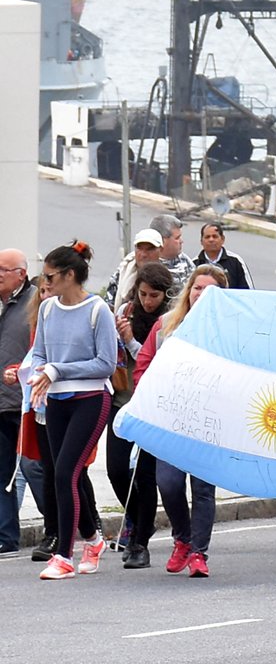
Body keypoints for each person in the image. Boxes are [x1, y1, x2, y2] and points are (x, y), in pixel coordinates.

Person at [133, 265, 228, 578]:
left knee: (203, 489)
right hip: (171, 419)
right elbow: (143, 367)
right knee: (169, 483)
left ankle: (200, 553)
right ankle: (182, 539)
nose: (201, 294)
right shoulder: (166, 326)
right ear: (189, 290)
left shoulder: (229, 331)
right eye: (198, 287)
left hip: (209, 420)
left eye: (210, 289)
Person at [29, 241, 118, 580]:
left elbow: (106, 364)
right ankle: (93, 540)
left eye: (50, 276)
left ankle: (64, 556)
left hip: (91, 400)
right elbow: (39, 352)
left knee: (65, 472)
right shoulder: (48, 309)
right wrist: (39, 371)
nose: (45, 282)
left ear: (69, 275)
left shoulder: (98, 310)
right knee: (68, 474)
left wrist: (58, 370)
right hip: (56, 401)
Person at [108, 261, 173, 569]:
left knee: (145, 475)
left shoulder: (169, 322)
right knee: (116, 470)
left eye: (154, 296)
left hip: (153, 406)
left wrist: (132, 341)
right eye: (144, 294)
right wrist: (118, 339)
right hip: (122, 401)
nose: (148, 301)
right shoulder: (125, 312)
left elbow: (157, 364)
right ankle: (137, 518)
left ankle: (140, 543)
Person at [0, 249, 36, 553]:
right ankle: (6, 537)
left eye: (3, 270)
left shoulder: (36, 302)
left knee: (34, 468)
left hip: (26, 401)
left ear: (21, 274)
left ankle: (58, 528)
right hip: (1, 403)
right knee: (1, 473)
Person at [103, 228, 164, 310]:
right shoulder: (122, 274)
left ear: (161, 250)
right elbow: (109, 305)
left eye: (150, 249)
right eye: (140, 248)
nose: (143, 254)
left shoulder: (167, 277)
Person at [193, 222, 253, 289]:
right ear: (201, 241)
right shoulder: (194, 264)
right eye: (207, 237)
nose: (211, 240)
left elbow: (248, 291)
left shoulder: (236, 261)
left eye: (215, 236)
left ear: (222, 239)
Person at [149, 214, 196, 295]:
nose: (181, 241)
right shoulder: (146, 263)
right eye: (177, 238)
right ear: (161, 240)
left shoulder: (185, 260)